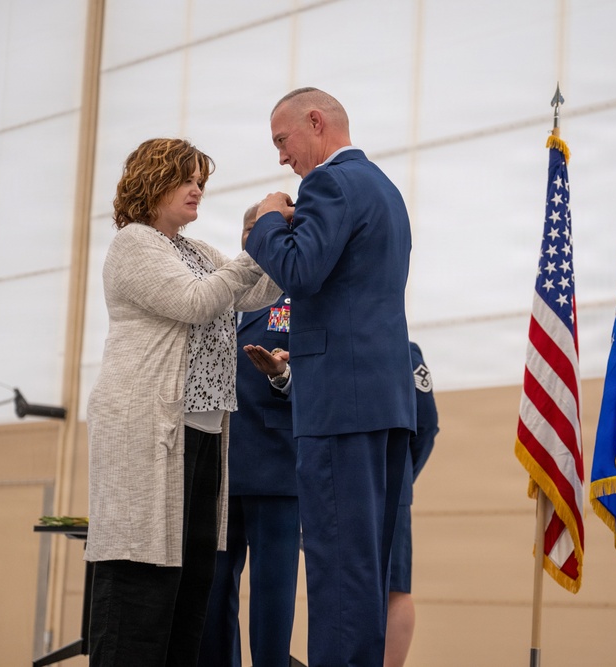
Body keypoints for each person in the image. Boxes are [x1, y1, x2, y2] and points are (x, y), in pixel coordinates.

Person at [85, 138, 281, 667]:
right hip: (147, 430)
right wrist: (257, 238)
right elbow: (196, 302)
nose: (197, 189)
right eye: (186, 178)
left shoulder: (196, 252)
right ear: (153, 182)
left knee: (189, 578)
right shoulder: (135, 244)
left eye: (201, 180)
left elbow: (255, 291)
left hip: (201, 432)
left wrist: (284, 238)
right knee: (140, 577)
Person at [246, 87, 417, 666]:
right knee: (364, 575)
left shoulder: (330, 183)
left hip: (339, 408)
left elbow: (301, 269)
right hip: (384, 403)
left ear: (315, 123)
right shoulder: (385, 189)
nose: (281, 158)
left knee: (338, 570)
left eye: (282, 140)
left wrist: (269, 220)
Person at [198, 207, 300, 667]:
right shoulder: (217, 292)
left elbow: (324, 380)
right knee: (213, 595)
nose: (254, 238)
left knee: (272, 601)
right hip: (217, 469)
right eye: (248, 230)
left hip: (277, 469)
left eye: (265, 229)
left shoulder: (303, 292)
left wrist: (284, 377)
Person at [385, 341, 439, 667]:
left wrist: (402, 477)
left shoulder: (404, 349)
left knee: (394, 587)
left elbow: (427, 423)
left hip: (388, 484)